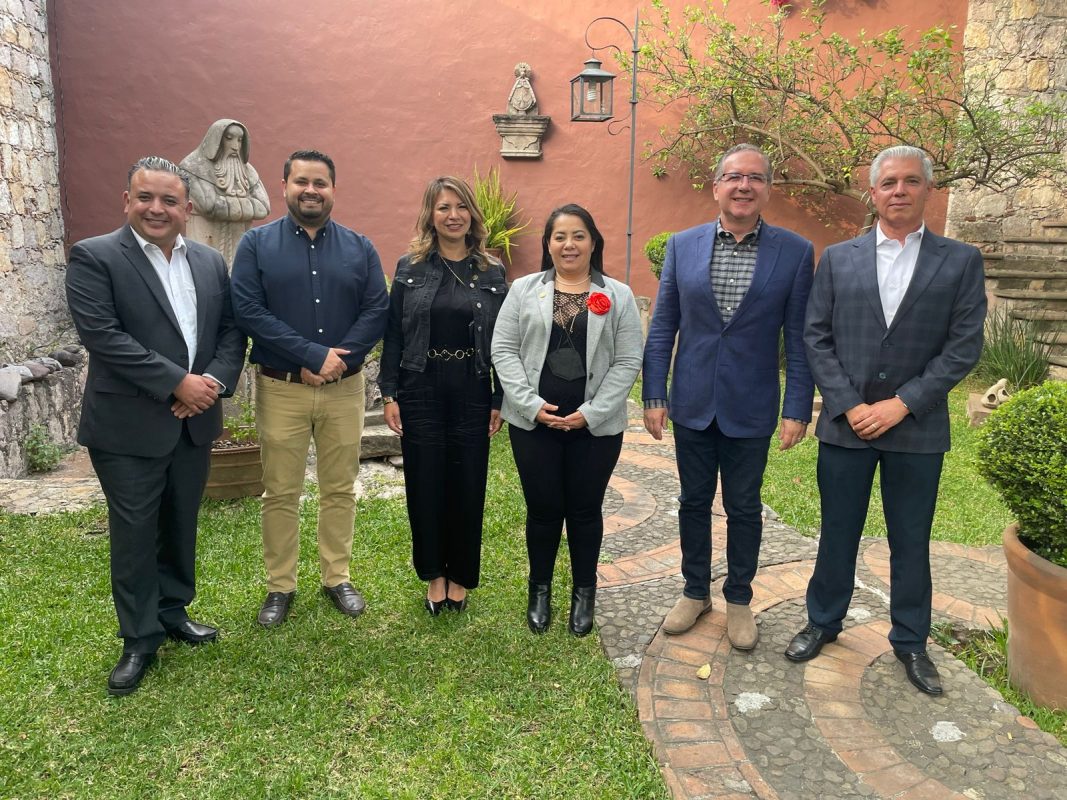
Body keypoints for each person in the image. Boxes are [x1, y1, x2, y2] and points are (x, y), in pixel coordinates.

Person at [784, 145, 986, 696]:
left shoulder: (960, 261)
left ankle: (912, 641)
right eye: (889, 182)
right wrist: (850, 405)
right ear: (872, 192)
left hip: (916, 427)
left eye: (911, 181)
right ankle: (823, 622)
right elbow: (815, 337)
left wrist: (902, 403)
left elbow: (963, 347)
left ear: (929, 189)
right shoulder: (838, 258)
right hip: (846, 426)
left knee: (911, 538)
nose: (900, 190)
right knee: (837, 531)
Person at [65, 156, 246, 695]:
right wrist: (176, 383)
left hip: (194, 422)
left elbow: (231, 331)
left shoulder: (209, 262)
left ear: (187, 209)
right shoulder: (96, 256)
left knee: (180, 521)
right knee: (135, 533)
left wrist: (210, 382)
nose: (156, 209)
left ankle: (172, 610)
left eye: (169, 200)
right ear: (127, 201)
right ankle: (139, 638)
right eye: (145, 197)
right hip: (127, 427)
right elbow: (103, 336)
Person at [642, 143, 815, 650]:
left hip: (751, 403)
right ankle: (695, 592)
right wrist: (654, 393)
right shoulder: (683, 246)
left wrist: (797, 407)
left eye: (755, 177)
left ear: (767, 189)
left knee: (743, 506)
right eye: (734, 176)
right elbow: (664, 326)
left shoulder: (795, 252)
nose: (744, 185)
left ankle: (739, 597)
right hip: (692, 401)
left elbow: (799, 338)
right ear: (717, 186)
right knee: (693, 501)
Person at [230, 150, 389, 628]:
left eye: (320, 183)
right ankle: (280, 585)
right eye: (301, 181)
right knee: (280, 491)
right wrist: (310, 354)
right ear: (284, 186)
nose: (311, 190)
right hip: (282, 389)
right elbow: (248, 310)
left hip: (344, 389)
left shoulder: (360, 247)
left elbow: (376, 311)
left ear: (333, 189)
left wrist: (336, 361)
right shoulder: (256, 245)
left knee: (339, 487)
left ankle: (337, 577)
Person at [492, 204, 643, 636]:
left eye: (578, 235)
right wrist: (529, 404)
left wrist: (591, 413)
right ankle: (539, 590)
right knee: (542, 510)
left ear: (593, 242)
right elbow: (503, 349)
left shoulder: (618, 295)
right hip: (533, 425)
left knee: (584, 510)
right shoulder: (523, 290)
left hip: (595, 429)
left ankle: (584, 592)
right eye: (559, 236)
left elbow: (629, 359)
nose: (569, 244)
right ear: (548, 244)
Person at [378, 177, 507, 614]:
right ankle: (435, 575)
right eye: (443, 208)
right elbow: (394, 334)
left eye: (460, 207)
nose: (453, 216)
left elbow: (505, 341)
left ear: (472, 213)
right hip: (421, 385)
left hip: (472, 385)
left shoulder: (491, 271)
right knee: (425, 482)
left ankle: (461, 576)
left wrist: (499, 398)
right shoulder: (410, 268)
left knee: (468, 483)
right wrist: (389, 393)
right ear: (430, 216)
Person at [179, 119, 270, 265]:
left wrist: (229, 205)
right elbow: (209, 205)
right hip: (205, 241)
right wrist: (245, 205)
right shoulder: (193, 166)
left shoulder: (247, 170)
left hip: (239, 244)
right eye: (229, 138)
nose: (235, 146)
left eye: (240, 140)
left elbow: (264, 207)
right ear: (216, 139)